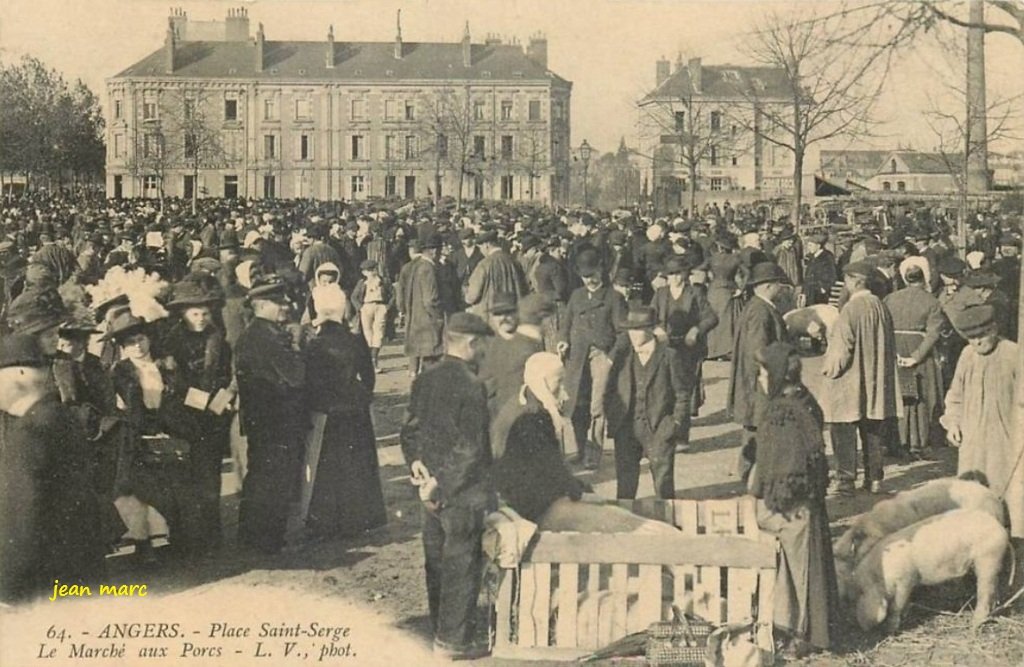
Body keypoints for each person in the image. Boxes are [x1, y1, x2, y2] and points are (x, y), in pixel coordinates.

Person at [493, 352, 677, 534]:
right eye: (559, 383)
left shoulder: (521, 404)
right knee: (619, 522)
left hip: (534, 502)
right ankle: (673, 543)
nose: (565, 394)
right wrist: (580, 494)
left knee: (616, 516)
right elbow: (550, 468)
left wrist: (580, 492)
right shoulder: (532, 417)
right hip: (532, 510)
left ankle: (670, 538)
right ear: (542, 382)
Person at [400, 312, 495, 660]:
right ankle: (454, 642)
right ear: (471, 343)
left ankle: (438, 631)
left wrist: (418, 465)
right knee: (462, 562)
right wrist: (442, 481)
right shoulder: (472, 385)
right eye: (482, 343)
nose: (484, 350)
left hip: (428, 489)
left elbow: (409, 430)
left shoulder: (425, 378)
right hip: (461, 492)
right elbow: (471, 447)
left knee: (436, 560)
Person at [748, 342, 839, 658]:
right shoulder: (806, 399)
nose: (760, 377)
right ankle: (818, 629)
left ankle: (797, 633)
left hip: (791, 504)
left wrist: (761, 494)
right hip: (811, 499)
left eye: (762, 372)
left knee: (796, 570)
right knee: (812, 567)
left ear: (774, 374)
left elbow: (779, 463)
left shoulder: (781, 411)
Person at [0, 333, 106, 603]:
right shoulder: (60, 416)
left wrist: (8, 587)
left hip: (47, 577)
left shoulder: (30, 431)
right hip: (81, 569)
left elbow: (25, 509)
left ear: (19, 374)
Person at [107, 307, 203, 558]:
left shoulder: (166, 366)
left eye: (140, 340)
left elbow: (185, 395)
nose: (137, 347)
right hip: (136, 435)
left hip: (170, 430)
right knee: (145, 493)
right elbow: (120, 405)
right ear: (123, 348)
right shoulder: (119, 372)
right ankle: (144, 545)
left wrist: (209, 407)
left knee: (178, 489)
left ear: (148, 339)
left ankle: (181, 543)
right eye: (130, 343)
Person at [303, 285, 387, 538]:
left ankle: (326, 522)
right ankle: (360, 518)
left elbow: (309, 382)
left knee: (327, 468)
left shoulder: (315, 345)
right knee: (357, 465)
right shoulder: (354, 340)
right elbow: (369, 376)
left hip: (327, 413)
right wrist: (363, 396)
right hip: (355, 411)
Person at [235, 275, 308, 554]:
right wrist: (299, 348)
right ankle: (267, 540)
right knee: (273, 479)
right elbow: (296, 376)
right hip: (277, 420)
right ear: (261, 304)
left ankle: (255, 537)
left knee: (261, 475)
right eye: (279, 301)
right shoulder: (269, 338)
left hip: (261, 419)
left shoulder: (254, 334)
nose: (286, 306)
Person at [162, 276, 234, 547]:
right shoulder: (172, 343)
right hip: (183, 420)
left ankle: (211, 535)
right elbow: (173, 384)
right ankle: (185, 538)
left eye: (205, 313)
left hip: (213, 419)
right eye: (195, 313)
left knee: (210, 476)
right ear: (183, 313)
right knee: (184, 480)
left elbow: (227, 375)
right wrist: (203, 401)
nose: (201, 318)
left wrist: (223, 397)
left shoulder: (218, 340)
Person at [942, 304, 1023, 538]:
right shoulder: (967, 356)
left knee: (1010, 502)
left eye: (981, 336)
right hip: (973, 445)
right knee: (973, 500)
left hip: (1006, 445)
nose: (976, 343)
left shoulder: (1014, 354)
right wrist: (954, 423)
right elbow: (955, 394)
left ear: (994, 329)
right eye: (971, 338)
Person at [822, 261, 898, 495]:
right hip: (875, 376)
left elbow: (841, 350)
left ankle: (846, 479)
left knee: (842, 427)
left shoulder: (850, 309)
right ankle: (875, 478)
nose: (845, 285)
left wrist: (828, 370)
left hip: (850, 379)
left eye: (846, 280)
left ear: (856, 281)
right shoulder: (880, 306)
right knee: (873, 428)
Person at [606, 306, 691, 499]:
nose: (633, 335)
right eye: (630, 330)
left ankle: (667, 523)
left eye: (639, 329)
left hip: (659, 427)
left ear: (651, 329)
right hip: (626, 428)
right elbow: (610, 390)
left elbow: (682, 394)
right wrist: (613, 418)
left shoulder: (669, 356)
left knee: (663, 484)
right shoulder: (622, 356)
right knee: (625, 486)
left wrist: (675, 423)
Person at [559, 248, 627, 469]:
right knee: (576, 403)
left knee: (597, 407)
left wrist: (611, 358)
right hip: (577, 356)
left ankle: (593, 453)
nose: (590, 280)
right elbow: (566, 323)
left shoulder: (613, 297)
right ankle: (577, 449)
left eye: (593, 274)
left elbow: (623, 333)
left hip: (601, 355)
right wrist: (563, 340)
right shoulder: (576, 295)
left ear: (601, 270)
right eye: (585, 276)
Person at [727, 262, 791, 480]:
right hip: (761, 385)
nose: (781, 289)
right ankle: (756, 476)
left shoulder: (757, 307)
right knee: (762, 427)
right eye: (778, 285)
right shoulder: (761, 312)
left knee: (754, 428)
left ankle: (747, 472)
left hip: (757, 384)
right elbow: (759, 351)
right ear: (767, 286)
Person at [649, 255, 718, 444]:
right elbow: (651, 317)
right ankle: (663, 432)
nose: (676, 278)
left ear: (685, 274)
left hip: (687, 350)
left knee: (682, 392)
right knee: (662, 390)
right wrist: (657, 329)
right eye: (671, 274)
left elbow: (711, 317)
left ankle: (680, 436)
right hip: (665, 349)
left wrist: (696, 330)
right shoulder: (661, 294)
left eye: (679, 273)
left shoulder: (694, 293)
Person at [884, 257, 947, 460]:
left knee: (898, 396)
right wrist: (916, 356)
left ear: (905, 278)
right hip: (919, 351)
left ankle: (897, 441)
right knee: (922, 397)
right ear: (924, 277)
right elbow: (933, 334)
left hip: (894, 350)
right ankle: (918, 443)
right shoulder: (932, 301)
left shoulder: (890, 298)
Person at [398, 234, 445, 377]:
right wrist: (440, 317)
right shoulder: (428, 269)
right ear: (433, 251)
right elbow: (430, 300)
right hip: (429, 321)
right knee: (432, 360)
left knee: (427, 360)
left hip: (418, 320)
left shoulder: (416, 266)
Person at [464, 230, 527, 318]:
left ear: (487, 245)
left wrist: (466, 296)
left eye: (481, 247)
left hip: (490, 315)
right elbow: (525, 289)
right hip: (513, 313)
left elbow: (472, 296)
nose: (481, 251)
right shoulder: (514, 262)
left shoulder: (484, 264)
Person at [351, 259, 392, 372]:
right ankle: (370, 361)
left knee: (379, 332)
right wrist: (360, 308)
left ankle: (374, 358)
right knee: (367, 332)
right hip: (366, 307)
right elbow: (354, 297)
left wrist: (387, 307)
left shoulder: (383, 281)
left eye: (373, 269)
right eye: (368, 271)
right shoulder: (362, 283)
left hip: (380, 306)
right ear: (364, 273)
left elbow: (392, 294)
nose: (371, 272)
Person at [802, 233, 836, 306]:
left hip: (820, 294)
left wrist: (823, 289)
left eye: (810, 245)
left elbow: (832, 275)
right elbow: (807, 275)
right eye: (808, 245)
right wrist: (804, 291)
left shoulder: (827, 257)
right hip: (810, 292)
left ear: (818, 246)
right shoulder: (811, 257)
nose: (808, 248)